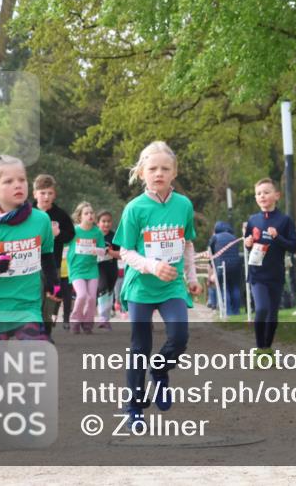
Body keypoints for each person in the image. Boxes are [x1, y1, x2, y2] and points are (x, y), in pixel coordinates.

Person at [114, 141, 201, 431]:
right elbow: (125, 252)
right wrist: (152, 266)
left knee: (179, 336)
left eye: (165, 168)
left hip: (172, 285)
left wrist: (192, 278)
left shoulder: (184, 205)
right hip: (141, 286)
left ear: (174, 172)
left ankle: (160, 370)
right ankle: (134, 407)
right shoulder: (134, 209)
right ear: (142, 173)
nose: (159, 173)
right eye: (152, 169)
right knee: (140, 347)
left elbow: (187, 243)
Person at [0, 155, 55, 341]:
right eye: (8, 181)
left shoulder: (41, 220)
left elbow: (46, 255)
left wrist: (54, 284)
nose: (18, 185)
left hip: (27, 307)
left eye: (22, 179)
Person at [244, 178, 296, 360]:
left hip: (275, 273)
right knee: (261, 309)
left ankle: (267, 348)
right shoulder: (253, 220)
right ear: (255, 198)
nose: (262, 196)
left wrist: (277, 238)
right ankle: (260, 348)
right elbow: (249, 244)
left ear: (277, 195)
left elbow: (293, 246)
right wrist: (247, 243)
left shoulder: (285, 220)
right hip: (257, 274)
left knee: (273, 314)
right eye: (259, 193)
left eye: (266, 192)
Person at [32, 174, 75, 334]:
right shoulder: (26, 213)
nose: (46, 197)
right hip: (29, 265)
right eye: (42, 193)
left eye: (49, 193)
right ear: (35, 194)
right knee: (34, 299)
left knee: (52, 299)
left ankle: (47, 332)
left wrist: (59, 234)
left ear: (54, 195)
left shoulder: (60, 215)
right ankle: (33, 331)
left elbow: (70, 235)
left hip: (53, 264)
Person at [67, 202, 105, 334]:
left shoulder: (97, 232)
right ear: (80, 216)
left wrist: (97, 250)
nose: (90, 215)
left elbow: (103, 250)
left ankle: (88, 324)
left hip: (92, 269)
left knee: (92, 298)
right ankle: (75, 321)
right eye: (86, 213)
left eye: (91, 213)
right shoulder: (74, 231)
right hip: (76, 269)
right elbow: (62, 241)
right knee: (82, 295)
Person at [208, 221, 244, 316]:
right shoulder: (233, 237)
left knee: (224, 288)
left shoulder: (215, 238)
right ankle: (236, 311)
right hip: (236, 267)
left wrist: (211, 265)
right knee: (235, 288)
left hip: (221, 266)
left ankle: (228, 311)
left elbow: (210, 253)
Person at [95, 210, 120, 328]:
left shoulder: (114, 236)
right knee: (103, 288)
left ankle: (106, 317)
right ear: (98, 223)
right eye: (103, 221)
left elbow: (121, 254)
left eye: (108, 221)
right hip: (99, 267)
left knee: (110, 291)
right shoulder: (94, 234)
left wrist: (110, 252)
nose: (106, 224)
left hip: (112, 268)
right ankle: (102, 317)